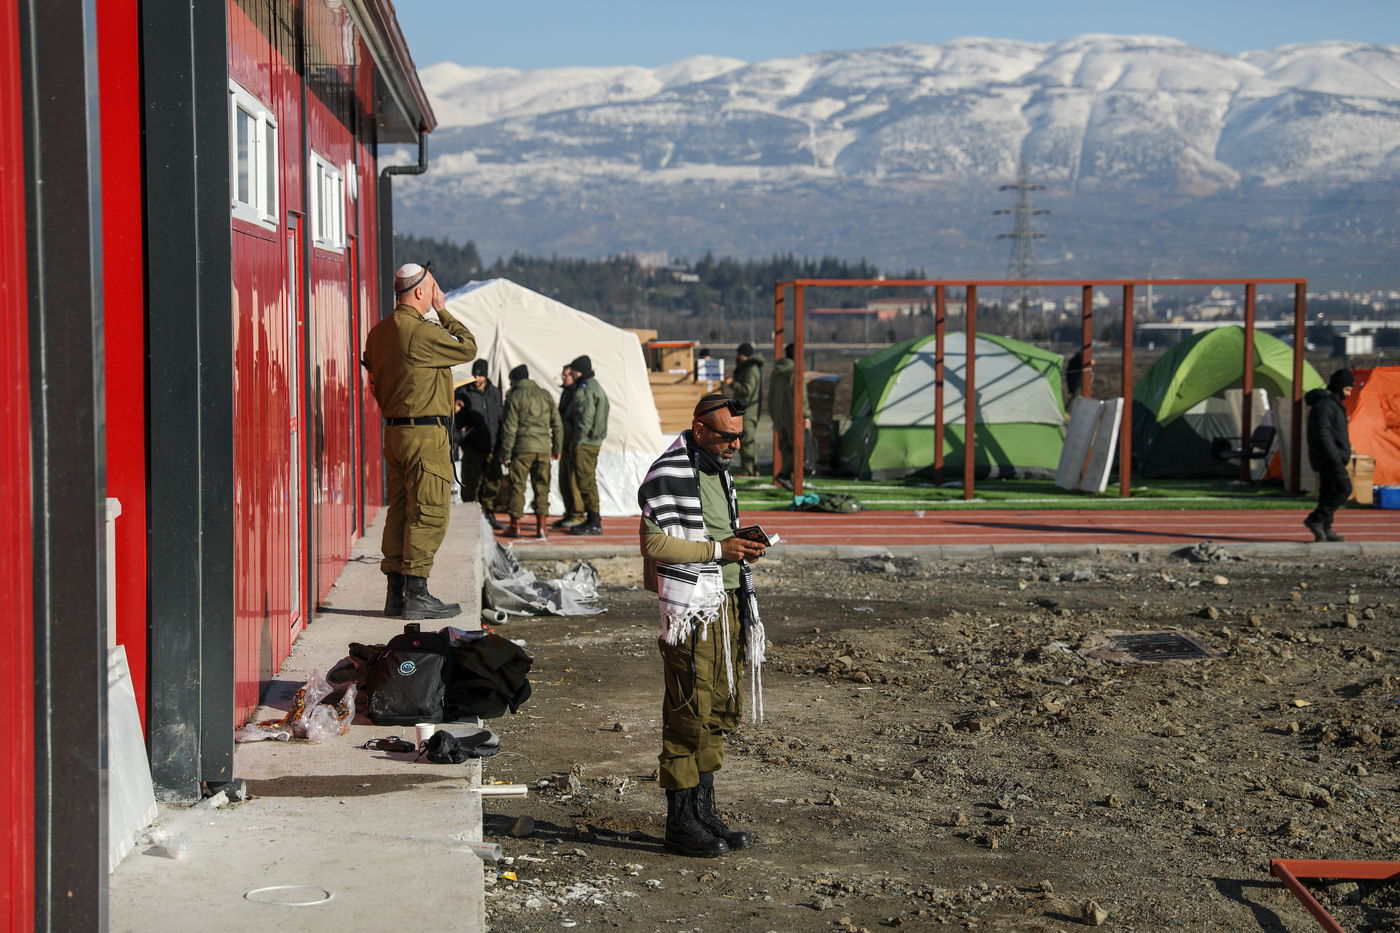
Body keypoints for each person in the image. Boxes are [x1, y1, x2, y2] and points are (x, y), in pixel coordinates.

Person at [637, 394, 768, 858]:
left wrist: (741, 547)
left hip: (729, 601)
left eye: (739, 436)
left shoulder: (719, 471)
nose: (734, 444)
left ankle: (703, 811)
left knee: (717, 710)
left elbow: (718, 532)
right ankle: (679, 823)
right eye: (725, 436)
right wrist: (719, 551)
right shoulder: (668, 474)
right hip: (694, 607)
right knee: (688, 708)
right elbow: (655, 545)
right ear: (698, 430)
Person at [362, 262, 476, 620]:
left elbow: (376, 384)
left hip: (396, 432)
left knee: (400, 511)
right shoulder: (422, 332)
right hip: (426, 435)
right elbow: (467, 347)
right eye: (433, 291)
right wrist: (444, 310)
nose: (434, 297)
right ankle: (417, 593)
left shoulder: (378, 334)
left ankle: (395, 594)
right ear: (422, 292)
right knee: (429, 512)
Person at [498, 364, 563, 539]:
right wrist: (557, 448)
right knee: (542, 487)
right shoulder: (545, 395)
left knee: (517, 486)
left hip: (522, 449)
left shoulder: (514, 397)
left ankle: (515, 526)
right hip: (543, 448)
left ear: (514, 381)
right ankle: (541, 527)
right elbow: (557, 424)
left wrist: (506, 454)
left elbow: (510, 429)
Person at [1303, 368, 1354, 542]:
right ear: (1339, 387)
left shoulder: (1332, 405)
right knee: (1344, 489)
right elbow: (1322, 434)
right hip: (1329, 457)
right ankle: (1316, 519)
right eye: (1347, 389)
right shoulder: (1326, 405)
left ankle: (1325, 527)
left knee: (1327, 492)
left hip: (1331, 456)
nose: (1349, 394)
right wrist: (1335, 455)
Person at [455, 359, 505, 529]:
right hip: (473, 446)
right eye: (476, 374)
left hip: (491, 444)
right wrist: (464, 440)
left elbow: (499, 417)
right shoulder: (465, 392)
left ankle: (489, 513)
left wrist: (500, 442)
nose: (478, 378)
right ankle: (469, 517)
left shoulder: (494, 392)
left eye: (481, 375)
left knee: (491, 482)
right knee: (471, 482)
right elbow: (458, 420)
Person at [565, 355, 610, 536]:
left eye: (573, 371)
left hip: (585, 443)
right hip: (593, 441)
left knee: (585, 481)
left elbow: (585, 416)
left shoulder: (585, 389)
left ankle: (593, 521)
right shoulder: (595, 386)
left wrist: (578, 440)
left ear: (579, 371)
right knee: (588, 480)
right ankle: (592, 519)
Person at [767, 342, 811, 488]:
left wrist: (774, 415)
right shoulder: (795, 371)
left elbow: (770, 395)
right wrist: (806, 416)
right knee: (800, 448)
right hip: (793, 417)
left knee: (786, 450)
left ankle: (788, 479)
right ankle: (785, 474)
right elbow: (801, 396)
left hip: (779, 416)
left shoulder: (776, 371)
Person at [551, 365, 583, 530]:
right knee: (563, 481)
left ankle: (577, 514)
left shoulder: (577, 393)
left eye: (566, 375)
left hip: (572, 443)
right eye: (562, 375)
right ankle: (570, 512)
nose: (563, 378)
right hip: (564, 443)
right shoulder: (566, 393)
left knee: (573, 481)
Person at [725, 342, 764, 475]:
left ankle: (748, 471)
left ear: (744, 355)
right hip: (745, 410)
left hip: (749, 411)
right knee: (747, 440)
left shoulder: (751, 369)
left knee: (746, 441)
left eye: (739, 354)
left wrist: (732, 384)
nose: (737, 357)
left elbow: (747, 390)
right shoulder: (747, 368)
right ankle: (752, 469)